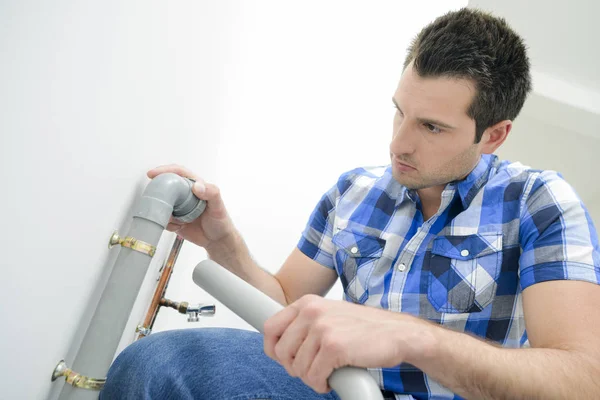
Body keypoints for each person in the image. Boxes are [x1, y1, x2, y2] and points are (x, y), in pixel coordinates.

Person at [100, 7, 600, 400]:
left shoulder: (539, 202)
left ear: (493, 135)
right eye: (399, 113)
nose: (398, 144)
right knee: (158, 365)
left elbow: (582, 380)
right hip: (339, 391)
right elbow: (288, 308)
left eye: (431, 127)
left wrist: (413, 338)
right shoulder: (354, 192)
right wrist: (223, 244)